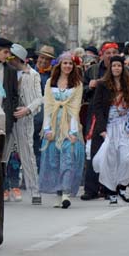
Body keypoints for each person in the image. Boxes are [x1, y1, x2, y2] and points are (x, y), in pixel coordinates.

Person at [91, 55, 129, 205]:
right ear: (110, 67)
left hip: (125, 127)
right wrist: (101, 129)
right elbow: (97, 107)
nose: (116, 68)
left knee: (128, 158)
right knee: (110, 159)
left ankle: (122, 186)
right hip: (109, 127)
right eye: (114, 65)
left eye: (119, 66)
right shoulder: (102, 85)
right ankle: (111, 191)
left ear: (122, 67)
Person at [38, 52, 84, 208]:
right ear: (59, 65)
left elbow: (75, 109)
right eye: (65, 63)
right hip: (53, 124)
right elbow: (48, 106)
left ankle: (66, 193)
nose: (68, 66)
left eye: (70, 63)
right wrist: (46, 129)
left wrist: (73, 132)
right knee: (54, 161)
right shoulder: (50, 82)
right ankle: (58, 193)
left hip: (69, 125)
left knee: (68, 159)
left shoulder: (77, 84)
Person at [4, 44, 43, 205]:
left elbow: (39, 98)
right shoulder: (7, 72)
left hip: (24, 120)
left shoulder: (32, 75)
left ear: (17, 58)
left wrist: (27, 109)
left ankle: (35, 191)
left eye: (10, 56)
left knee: (27, 156)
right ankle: (1, 188)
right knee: (2, 156)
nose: (8, 59)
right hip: (7, 117)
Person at [81, 42, 119, 201]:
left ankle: (110, 188)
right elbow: (81, 90)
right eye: (107, 53)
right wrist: (89, 86)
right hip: (95, 115)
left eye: (113, 53)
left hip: (116, 115)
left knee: (113, 151)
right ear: (102, 55)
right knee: (92, 150)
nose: (111, 56)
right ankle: (91, 189)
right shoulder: (92, 70)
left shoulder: (123, 70)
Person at [0, 38, 20, 200]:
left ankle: (1, 189)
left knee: (3, 156)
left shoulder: (11, 71)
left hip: (4, 117)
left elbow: (14, 95)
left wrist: (11, 116)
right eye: (5, 52)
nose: (8, 56)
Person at [32, 44, 56, 165]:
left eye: (47, 59)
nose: (44, 61)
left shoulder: (54, 75)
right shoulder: (29, 71)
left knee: (43, 148)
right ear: (38, 57)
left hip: (47, 117)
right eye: (42, 57)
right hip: (31, 115)